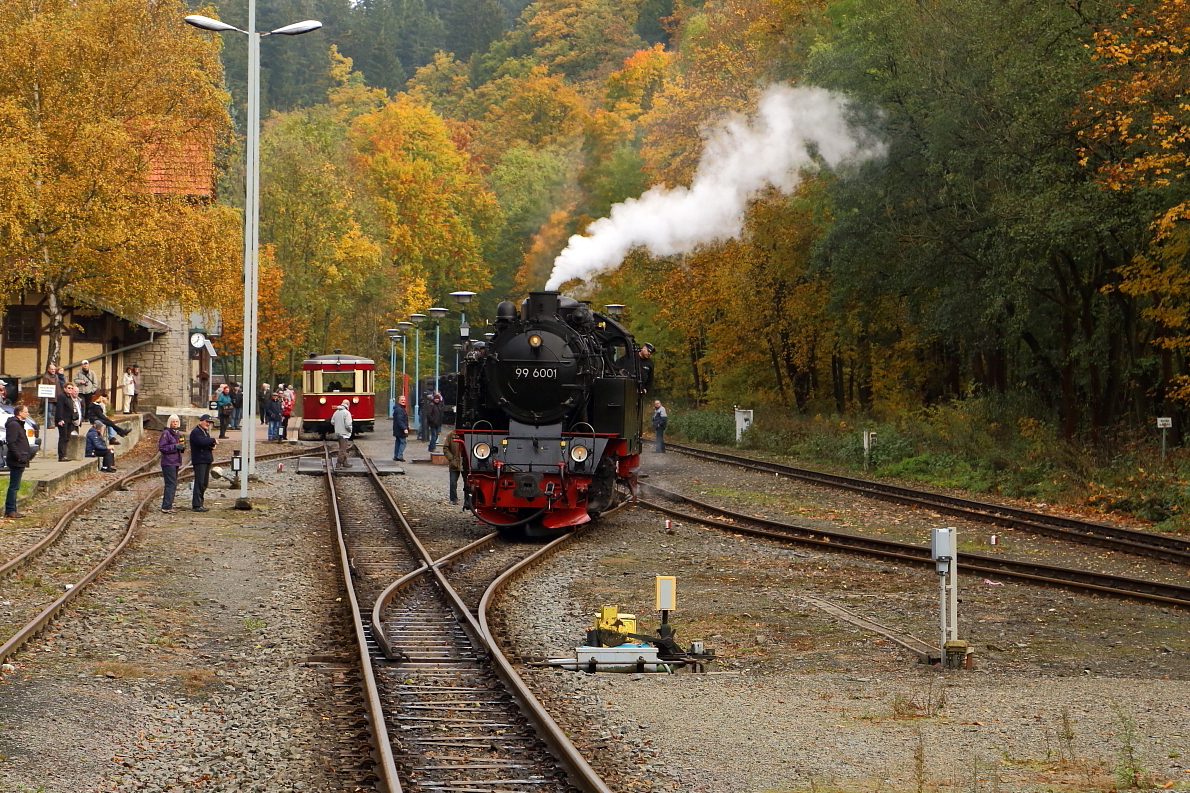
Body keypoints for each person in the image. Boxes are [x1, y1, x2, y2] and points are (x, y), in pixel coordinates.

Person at [5, 404, 32, 518]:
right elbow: (11, 442)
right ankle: (10, 510)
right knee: (14, 486)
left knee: (16, 485)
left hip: (20, 458)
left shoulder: (18, 424)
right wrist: (18, 456)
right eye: (26, 412)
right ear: (19, 413)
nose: (27, 413)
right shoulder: (14, 425)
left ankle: (12, 509)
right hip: (17, 459)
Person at [189, 414, 217, 511]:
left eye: (209, 422)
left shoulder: (204, 432)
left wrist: (211, 446)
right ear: (201, 421)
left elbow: (205, 443)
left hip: (206, 459)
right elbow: (201, 442)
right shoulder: (195, 432)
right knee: (199, 482)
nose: (208, 424)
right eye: (206, 421)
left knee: (204, 483)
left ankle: (200, 502)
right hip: (200, 460)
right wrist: (213, 440)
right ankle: (196, 504)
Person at [158, 414, 184, 513]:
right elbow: (162, 447)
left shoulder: (177, 433)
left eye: (176, 422)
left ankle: (168, 504)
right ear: (169, 422)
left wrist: (181, 448)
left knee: (172, 484)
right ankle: (166, 506)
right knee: (170, 484)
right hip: (169, 462)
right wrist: (175, 447)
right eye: (173, 422)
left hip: (175, 461)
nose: (175, 423)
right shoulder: (166, 433)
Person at [54, 383, 83, 462]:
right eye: (69, 388)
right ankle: (61, 456)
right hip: (63, 420)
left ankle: (65, 454)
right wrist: (60, 419)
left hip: (69, 420)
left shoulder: (69, 397)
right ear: (64, 388)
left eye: (71, 388)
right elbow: (59, 408)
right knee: (63, 438)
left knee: (67, 438)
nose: (70, 389)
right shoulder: (62, 396)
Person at [331, 399, 353, 469]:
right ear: (347, 404)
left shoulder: (336, 412)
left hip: (338, 432)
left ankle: (344, 462)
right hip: (344, 433)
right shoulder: (346, 413)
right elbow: (348, 424)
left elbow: (332, 421)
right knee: (343, 449)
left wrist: (338, 425)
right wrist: (350, 430)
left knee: (342, 447)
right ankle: (338, 463)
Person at [442, 427, 462, 504]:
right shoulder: (450, 435)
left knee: (468, 483)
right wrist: (451, 459)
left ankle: (468, 500)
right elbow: (446, 448)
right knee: (453, 482)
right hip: (455, 462)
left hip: (465, 463)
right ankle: (453, 499)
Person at [392, 394, 409, 462]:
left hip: (397, 428)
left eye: (404, 400)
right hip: (400, 429)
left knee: (398, 442)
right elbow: (400, 420)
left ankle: (396, 456)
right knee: (403, 442)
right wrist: (404, 428)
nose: (403, 401)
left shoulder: (399, 408)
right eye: (402, 400)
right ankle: (399, 456)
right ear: (398, 401)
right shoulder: (400, 410)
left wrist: (407, 426)